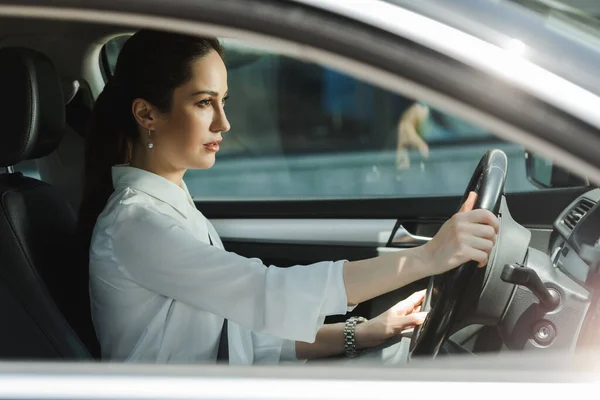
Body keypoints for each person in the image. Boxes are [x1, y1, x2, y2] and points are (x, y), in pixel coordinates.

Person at [78, 29, 499, 364]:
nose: (224, 123)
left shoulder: (168, 206)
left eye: (223, 101)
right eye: (205, 103)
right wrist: (427, 257)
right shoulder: (137, 225)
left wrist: (362, 333)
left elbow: (241, 338)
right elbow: (266, 293)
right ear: (147, 113)